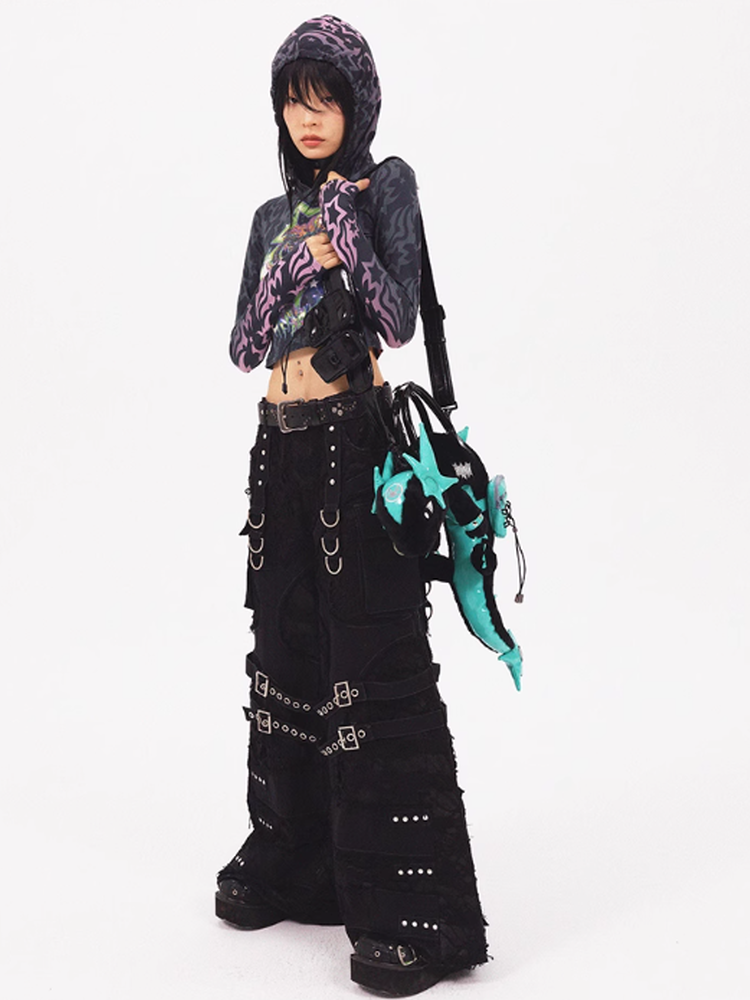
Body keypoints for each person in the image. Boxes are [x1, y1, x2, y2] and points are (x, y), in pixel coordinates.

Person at [216, 15, 488, 996]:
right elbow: (243, 346)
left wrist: (341, 248)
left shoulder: (386, 187)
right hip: (279, 451)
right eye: (295, 100)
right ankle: (298, 863)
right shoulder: (269, 216)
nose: (309, 117)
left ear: (356, 105)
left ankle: (417, 915)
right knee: (286, 649)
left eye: (325, 99)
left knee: (372, 660)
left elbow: (398, 317)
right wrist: (291, 260)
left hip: (353, 445)